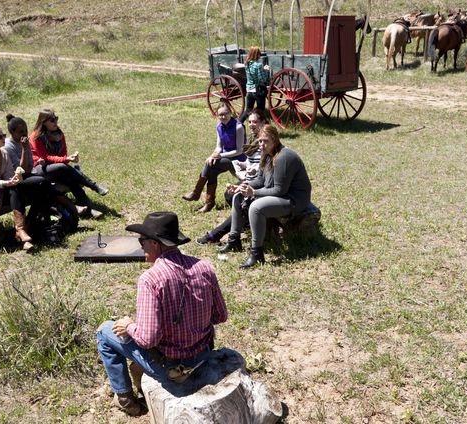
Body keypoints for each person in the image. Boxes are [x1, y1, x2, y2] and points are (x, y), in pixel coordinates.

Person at [96, 212, 228, 416]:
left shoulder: (150, 279)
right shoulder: (204, 267)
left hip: (171, 368)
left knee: (105, 332)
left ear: (155, 244)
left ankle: (124, 397)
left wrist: (129, 326)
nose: (141, 246)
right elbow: (220, 317)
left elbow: (148, 339)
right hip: (202, 356)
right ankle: (135, 378)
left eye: (142, 241)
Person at [220, 125, 312, 268]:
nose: (261, 145)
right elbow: (260, 180)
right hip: (281, 195)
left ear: (274, 140)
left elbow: (279, 190)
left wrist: (254, 193)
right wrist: (242, 186)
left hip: (293, 200)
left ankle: (257, 253)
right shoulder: (267, 154)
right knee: (238, 196)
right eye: (260, 141)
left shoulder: (283, 157)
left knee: (257, 207)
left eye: (265, 141)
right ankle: (234, 241)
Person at [196, 109, 268, 245]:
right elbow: (253, 159)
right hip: (253, 177)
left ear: (263, 122)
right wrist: (244, 164)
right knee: (229, 195)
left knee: (240, 200)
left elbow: (267, 165)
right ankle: (245, 222)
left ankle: (216, 234)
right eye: (250, 121)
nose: (252, 124)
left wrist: (252, 171)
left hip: (263, 182)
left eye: (255, 122)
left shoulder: (266, 138)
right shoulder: (254, 137)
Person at [29, 109, 108, 219]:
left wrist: (70, 158)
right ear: (43, 122)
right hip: (39, 168)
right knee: (63, 168)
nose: (55, 122)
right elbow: (45, 157)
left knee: (71, 180)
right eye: (52, 120)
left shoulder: (59, 134)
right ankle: (93, 185)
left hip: (57, 169)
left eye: (56, 119)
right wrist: (66, 159)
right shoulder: (36, 137)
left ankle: (90, 209)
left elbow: (63, 155)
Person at [182, 104, 246, 213]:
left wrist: (220, 156)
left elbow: (240, 150)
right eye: (220, 115)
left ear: (230, 113)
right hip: (225, 158)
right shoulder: (219, 126)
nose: (223, 117)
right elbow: (219, 147)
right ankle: (209, 203)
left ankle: (196, 193)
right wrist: (213, 155)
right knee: (211, 168)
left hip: (238, 160)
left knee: (211, 164)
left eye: (225, 114)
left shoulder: (238, 127)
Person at [238, 46, 270, 123]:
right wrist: (266, 71)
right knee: (260, 111)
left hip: (250, 89)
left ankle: (238, 124)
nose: (260, 55)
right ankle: (262, 128)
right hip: (258, 90)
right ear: (256, 54)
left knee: (248, 109)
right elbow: (262, 79)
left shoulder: (247, 64)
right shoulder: (258, 65)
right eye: (259, 53)